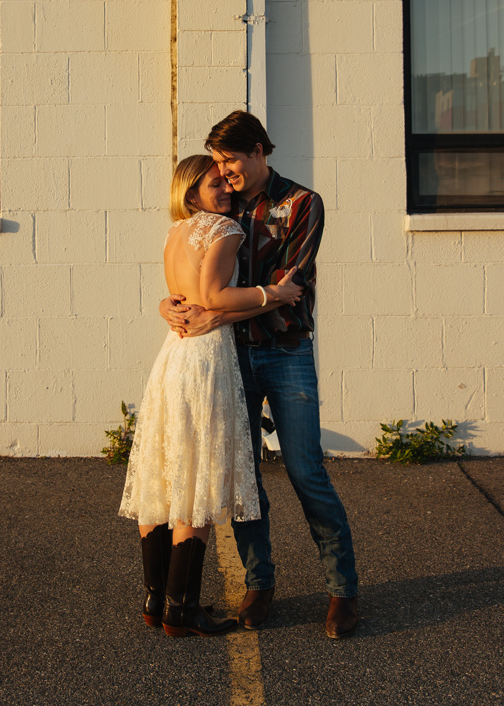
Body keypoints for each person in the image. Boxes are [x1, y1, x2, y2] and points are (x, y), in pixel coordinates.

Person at [160, 110, 360, 639]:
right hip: (231, 357)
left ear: (258, 151)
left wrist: (210, 313)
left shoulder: (302, 204)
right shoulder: (219, 205)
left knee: (305, 471)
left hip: (286, 351)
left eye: (230, 160)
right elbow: (200, 276)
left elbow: (284, 286)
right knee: (245, 480)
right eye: (218, 163)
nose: (223, 172)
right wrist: (170, 304)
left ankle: (343, 591)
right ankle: (259, 584)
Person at [119, 154, 303, 637]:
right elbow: (215, 298)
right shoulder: (225, 230)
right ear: (190, 191)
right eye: (213, 182)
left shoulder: (174, 232)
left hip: (172, 357)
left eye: (225, 180)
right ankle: (182, 610)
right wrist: (272, 294)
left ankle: (156, 600)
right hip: (204, 361)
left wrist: (169, 305)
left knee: (164, 473)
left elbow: (185, 299)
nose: (224, 188)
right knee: (193, 477)